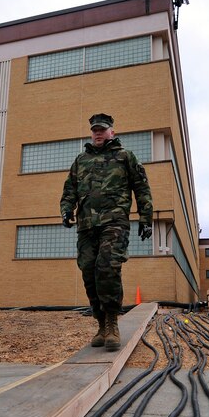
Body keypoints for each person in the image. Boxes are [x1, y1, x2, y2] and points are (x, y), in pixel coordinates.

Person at [61, 113, 153, 351]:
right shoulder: (81, 160)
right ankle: (101, 324)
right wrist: (66, 209)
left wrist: (146, 217)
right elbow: (70, 189)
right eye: (94, 130)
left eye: (102, 129)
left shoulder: (125, 157)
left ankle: (112, 323)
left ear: (112, 131)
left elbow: (141, 187)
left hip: (114, 222)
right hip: (87, 226)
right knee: (89, 271)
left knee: (107, 267)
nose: (98, 133)